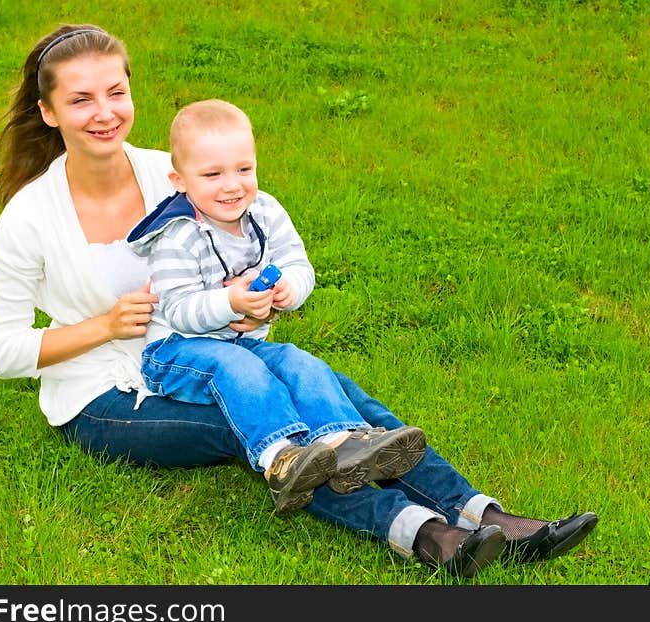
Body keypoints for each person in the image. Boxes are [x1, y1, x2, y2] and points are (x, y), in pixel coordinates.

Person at [0, 23, 599, 579]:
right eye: (80, 99)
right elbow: (4, 352)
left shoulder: (180, 170)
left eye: (115, 92)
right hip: (104, 395)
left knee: (327, 389)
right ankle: (427, 534)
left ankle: (483, 512)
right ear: (48, 111)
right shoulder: (30, 218)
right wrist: (103, 325)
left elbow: (251, 241)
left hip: (218, 348)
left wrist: (261, 297)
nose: (104, 113)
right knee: (269, 418)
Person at [124, 98, 427, 514]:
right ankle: (281, 460)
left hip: (241, 344)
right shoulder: (177, 235)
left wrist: (288, 288)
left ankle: (344, 443)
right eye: (212, 174)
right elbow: (179, 310)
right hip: (176, 350)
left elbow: (298, 264)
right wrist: (230, 301)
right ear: (180, 180)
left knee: (300, 363)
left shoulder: (265, 212)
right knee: (241, 370)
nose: (232, 185)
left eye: (243, 169)